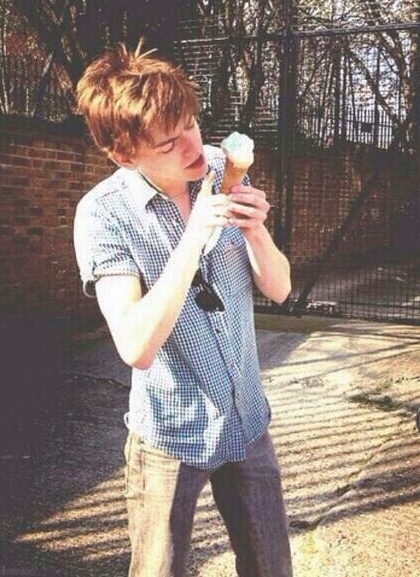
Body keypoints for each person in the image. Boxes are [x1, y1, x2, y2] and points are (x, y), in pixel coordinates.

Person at [72, 39, 294, 577]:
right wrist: (193, 236)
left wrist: (257, 232)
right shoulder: (103, 215)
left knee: (272, 568)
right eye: (169, 142)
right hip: (170, 434)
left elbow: (281, 290)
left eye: (192, 124)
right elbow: (135, 346)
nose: (193, 145)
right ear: (125, 155)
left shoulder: (220, 168)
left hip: (247, 419)